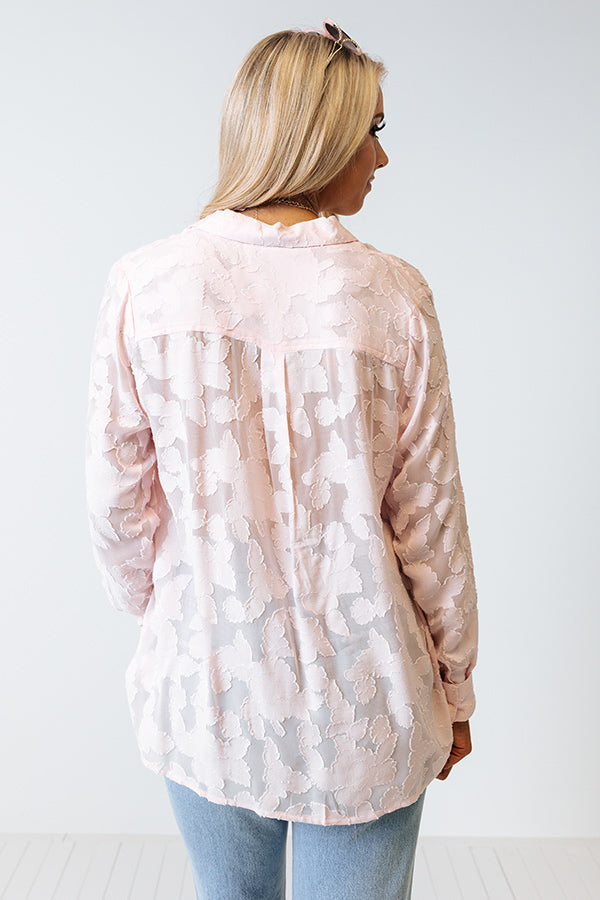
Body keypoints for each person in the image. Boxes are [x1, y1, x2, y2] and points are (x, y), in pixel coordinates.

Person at [86, 20, 478, 900]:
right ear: (318, 134)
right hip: (369, 698)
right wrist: (454, 683)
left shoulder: (145, 284)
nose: (382, 158)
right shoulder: (394, 295)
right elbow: (431, 521)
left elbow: (116, 506)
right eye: (372, 130)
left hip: (209, 691)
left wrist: (180, 611)